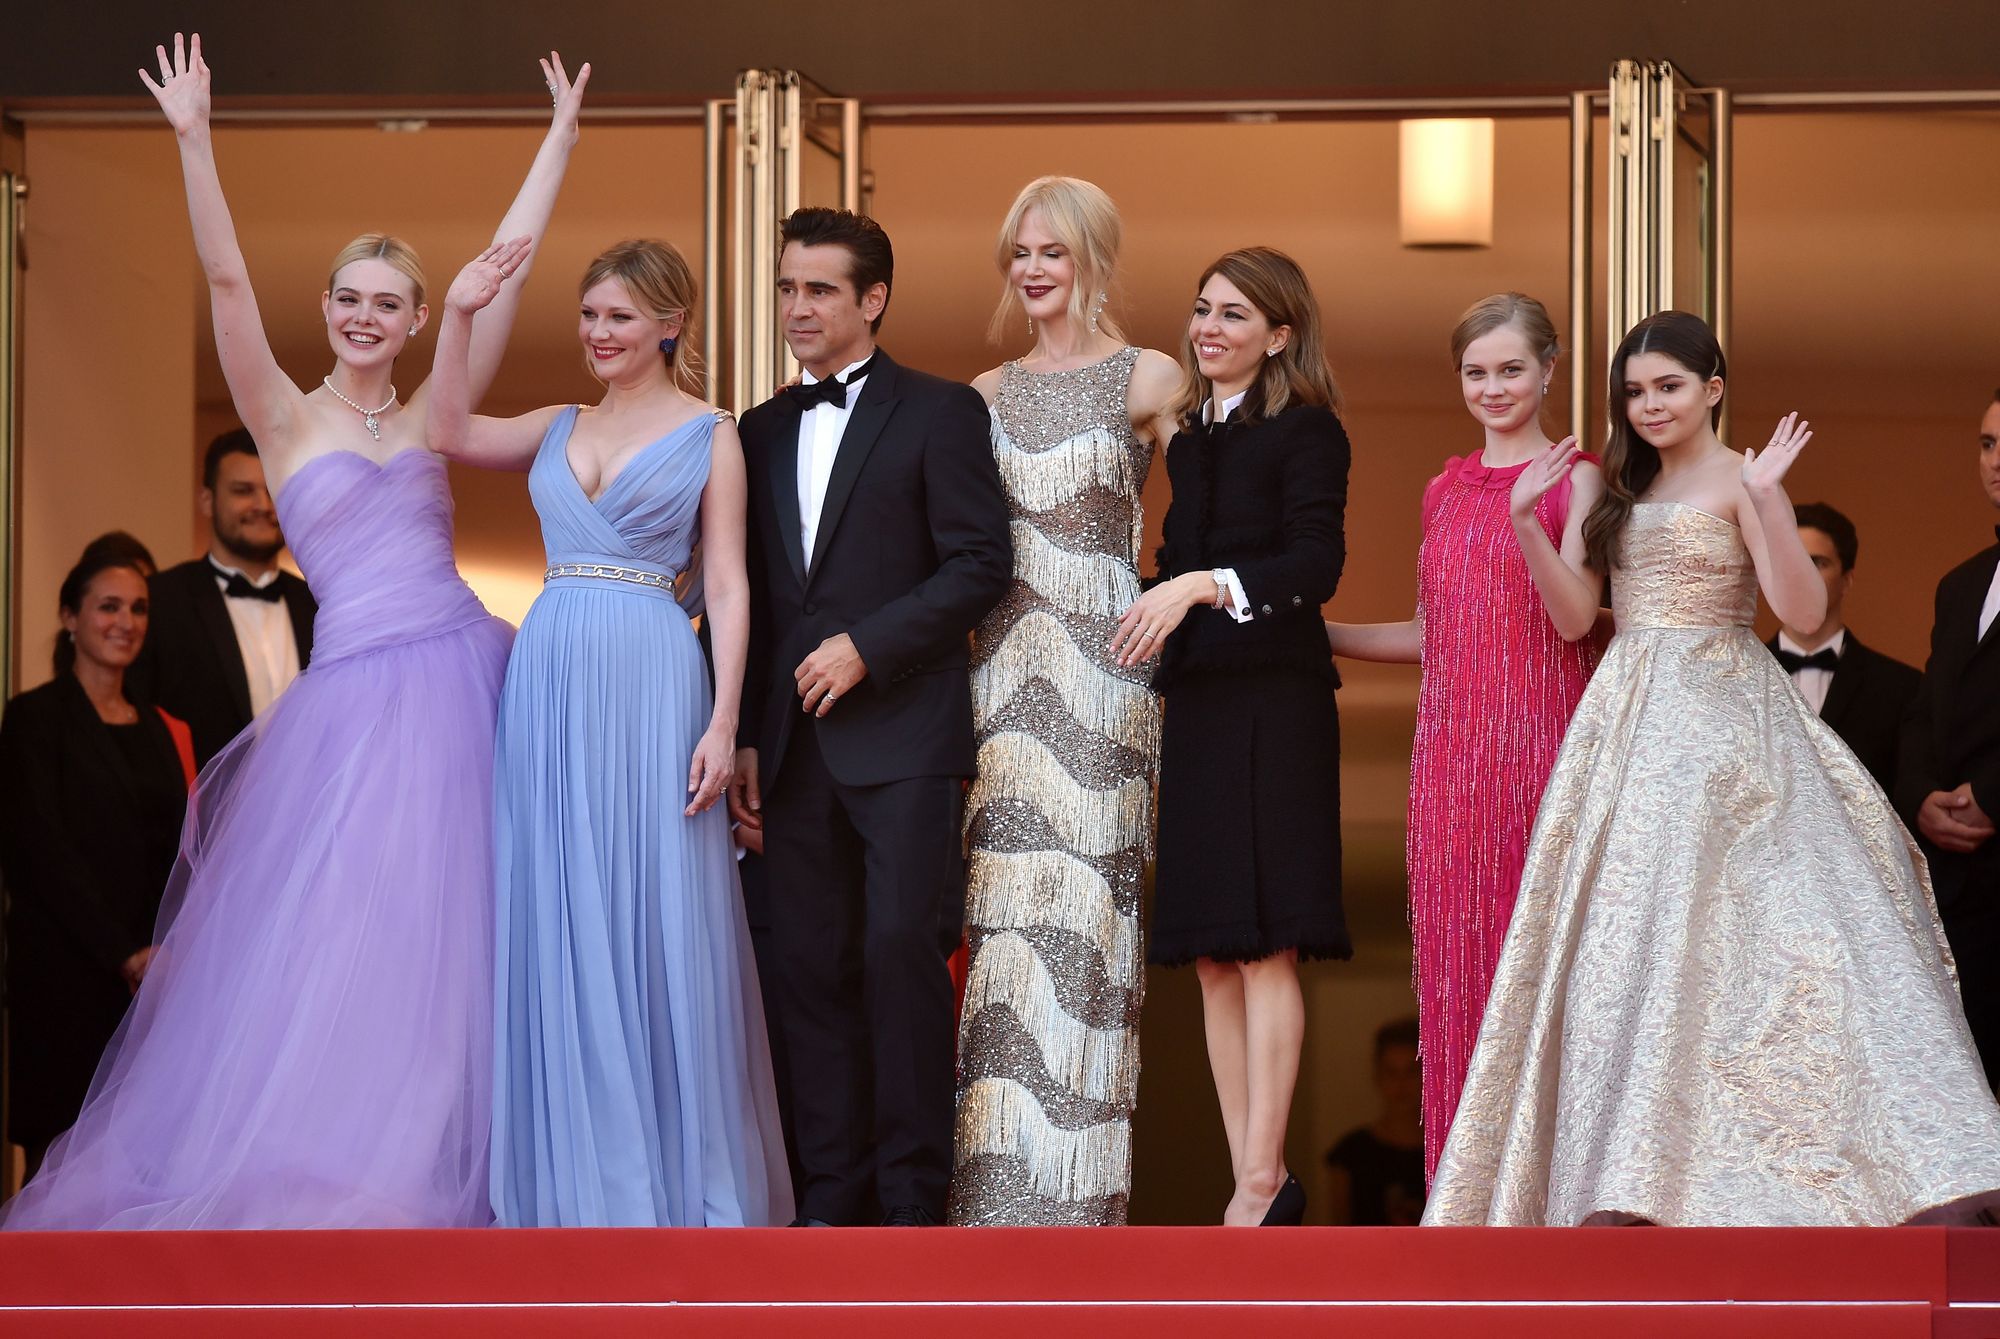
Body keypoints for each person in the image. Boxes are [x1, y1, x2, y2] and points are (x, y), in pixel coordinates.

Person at [0, 34, 584, 1230]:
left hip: (463, 676)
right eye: (350, 299)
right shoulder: (276, 413)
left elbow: (505, 272)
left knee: (467, 939)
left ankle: (451, 1158)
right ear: (326, 308)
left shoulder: (435, 410)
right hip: (354, 703)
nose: (368, 317)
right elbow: (221, 282)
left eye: (391, 302)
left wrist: (559, 140)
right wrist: (194, 139)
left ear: (420, 318)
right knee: (348, 937)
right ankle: (337, 1159)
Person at [1425, 312, 2000, 1226]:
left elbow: (1802, 614)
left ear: (1713, 389)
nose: (1650, 405)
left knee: (1771, 937)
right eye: (1636, 391)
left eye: (1670, 387)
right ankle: (1633, 1173)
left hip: (1729, 714)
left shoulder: (1743, 476)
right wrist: (1526, 521)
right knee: (1631, 943)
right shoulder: (1614, 482)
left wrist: (1769, 498)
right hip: (1627, 719)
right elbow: (1576, 618)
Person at [427, 237, 791, 1227]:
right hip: (548, 675)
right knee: (556, 902)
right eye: (588, 315)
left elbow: (726, 583)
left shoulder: (711, 433)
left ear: (670, 325)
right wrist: (457, 312)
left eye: (619, 317)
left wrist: (722, 719)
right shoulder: (555, 423)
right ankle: (567, 1185)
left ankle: (669, 1188)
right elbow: (445, 426)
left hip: (651, 672)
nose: (597, 333)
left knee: (655, 911)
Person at [726, 206, 1012, 1228]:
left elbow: (981, 563)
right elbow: (752, 594)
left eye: (819, 290)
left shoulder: (938, 412)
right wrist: (753, 733)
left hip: (905, 736)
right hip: (791, 750)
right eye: (787, 288)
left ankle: (909, 1205)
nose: (797, 308)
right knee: (805, 970)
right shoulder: (754, 430)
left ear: (872, 299)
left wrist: (869, 643)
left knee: (899, 955)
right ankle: (828, 1205)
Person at [1323, 293, 1601, 1181]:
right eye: (1476, 373)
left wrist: (1526, 517)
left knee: (1547, 975)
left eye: (1511, 368)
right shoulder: (1443, 490)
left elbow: (1575, 619)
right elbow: (1437, 632)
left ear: (1549, 369)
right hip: (1450, 766)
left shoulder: (1579, 476)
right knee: (1455, 973)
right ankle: (1469, 1198)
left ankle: (1552, 1194)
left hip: (1544, 756)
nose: (1493, 387)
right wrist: (1320, 634)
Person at [951, 177, 1180, 1227]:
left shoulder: (1150, 378)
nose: (1033, 270)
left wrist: (1177, 593)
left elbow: (1207, 513)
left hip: (1105, 681)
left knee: (1087, 942)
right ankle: (991, 1221)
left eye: (1051, 251)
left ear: (1091, 257)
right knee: (1002, 946)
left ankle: (1078, 1224)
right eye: (1019, 254)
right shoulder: (982, 394)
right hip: (1001, 682)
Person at [1113, 246, 1350, 1227]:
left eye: (1234, 315)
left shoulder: (1308, 432)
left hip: (1278, 701)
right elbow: (1167, 562)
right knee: (1212, 950)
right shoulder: (1194, 444)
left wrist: (1203, 584)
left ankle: (1260, 1179)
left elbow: (1315, 560)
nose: (1208, 329)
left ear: (1279, 334)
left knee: (1267, 949)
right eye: (1202, 309)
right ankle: (1252, 1174)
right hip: (1203, 703)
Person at [0, 547, 194, 1181]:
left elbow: (180, 850)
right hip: (65, 977)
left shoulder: (164, 728)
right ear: (69, 617)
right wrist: (122, 951)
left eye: (138, 608)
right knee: (57, 1161)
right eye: (108, 606)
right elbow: (39, 850)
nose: (126, 622)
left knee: (139, 1164)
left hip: (152, 985)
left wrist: (162, 951)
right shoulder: (34, 719)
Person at [1896, 389, 2000, 1087]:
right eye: (1989, 443)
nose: (1996, 460)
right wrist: (1920, 796)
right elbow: (1926, 713)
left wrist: (1994, 796)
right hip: (1958, 887)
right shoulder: (1960, 584)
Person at [127, 430, 317, 769]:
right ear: (206, 500)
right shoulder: (161, 600)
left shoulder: (320, 602)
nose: (263, 505)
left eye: (272, 490)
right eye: (243, 491)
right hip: (201, 814)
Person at [1765, 502, 1919, 792]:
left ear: (1847, 580)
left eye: (1817, 563)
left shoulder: (1902, 689)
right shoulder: (1737, 681)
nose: (1800, 573)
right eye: (1789, 560)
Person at [1323, 1018, 1424, 1226]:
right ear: (1378, 1075)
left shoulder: (1445, 1153)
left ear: (1425, 1076)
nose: (1401, 1084)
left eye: (1410, 1072)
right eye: (1391, 1072)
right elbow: (1339, 1232)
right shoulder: (1351, 1152)